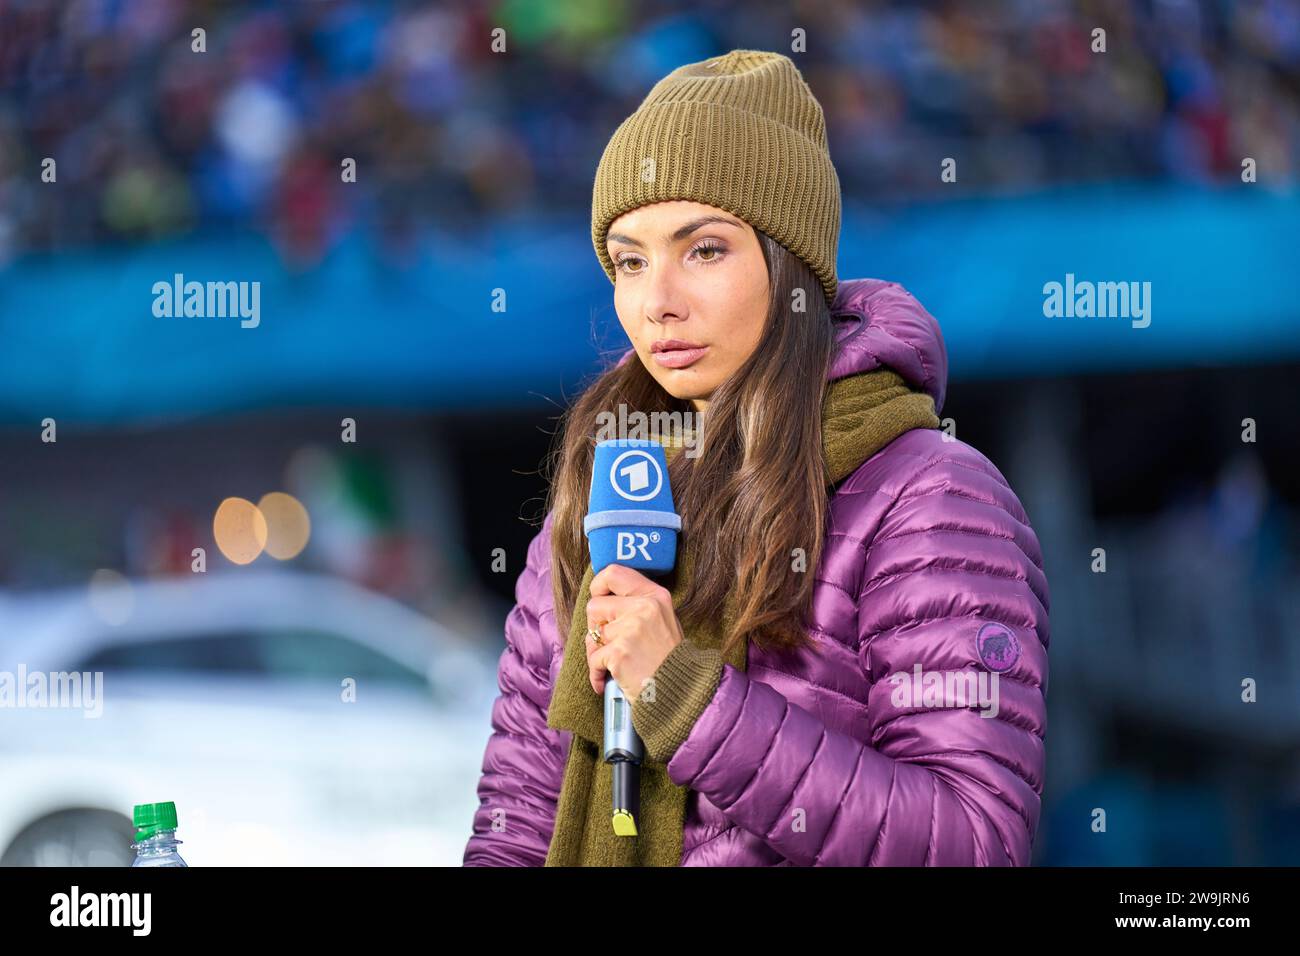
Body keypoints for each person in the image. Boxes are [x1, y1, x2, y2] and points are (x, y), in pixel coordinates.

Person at [463, 49, 1049, 867]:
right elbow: (519, 821)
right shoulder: (595, 506)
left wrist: (687, 700)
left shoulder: (930, 497)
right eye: (630, 260)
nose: (658, 298)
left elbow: (972, 838)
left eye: (704, 249)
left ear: (791, 268)